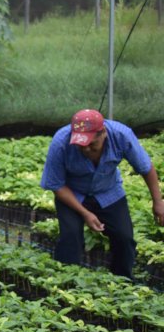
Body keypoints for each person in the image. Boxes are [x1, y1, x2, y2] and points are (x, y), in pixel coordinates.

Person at [40, 108, 164, 279]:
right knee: (71, 237)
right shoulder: (61, 141)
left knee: (124, 238)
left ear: (103, 133)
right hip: (72, 194)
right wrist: (85, 213)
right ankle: (65, 281)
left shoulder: (121, 135)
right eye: (82, 145)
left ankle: (122, 282)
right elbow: (57, 185)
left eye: (92, 144)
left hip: (108, 192)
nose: (87, 150)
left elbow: (145, 168)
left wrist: (158, 202)